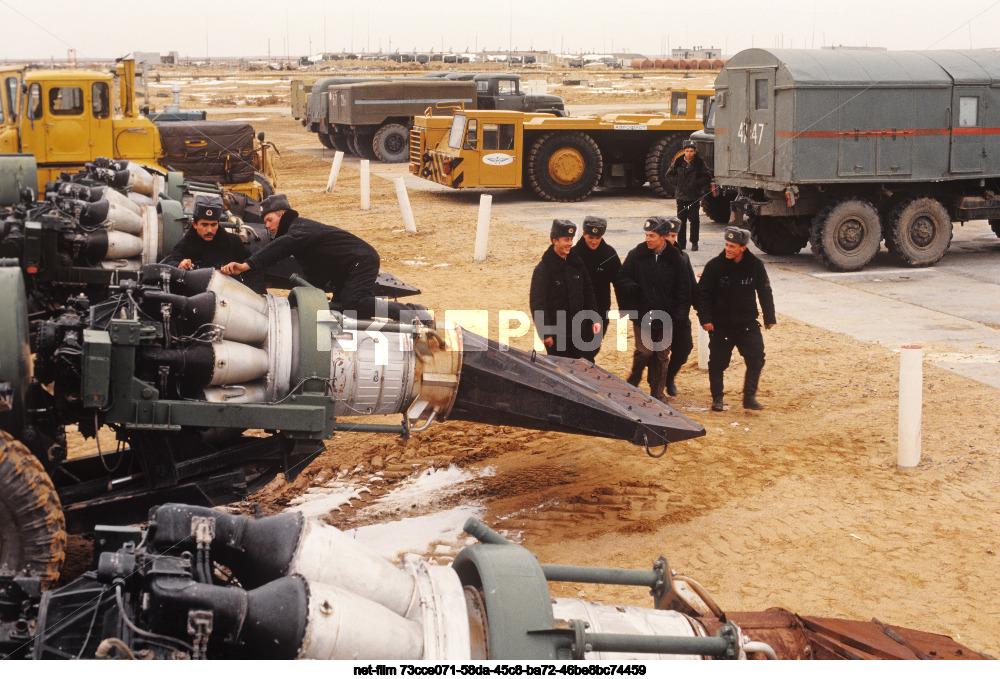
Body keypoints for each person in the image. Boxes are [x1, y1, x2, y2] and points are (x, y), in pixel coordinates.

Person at [221, 194, 423, 321]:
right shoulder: (296, 231)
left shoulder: (298, 228)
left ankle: (411, 312)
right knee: (345, 312)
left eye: (269, 220)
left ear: (282, 214)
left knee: (354, 303)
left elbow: (282, 247)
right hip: (347, 270)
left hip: (361, 261)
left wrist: (248, 265)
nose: (267, 226)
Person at [696, 226, 776, 412]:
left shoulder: (755, 266)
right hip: (721, 325)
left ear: (743, 248)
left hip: (747, 325)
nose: (728, 249)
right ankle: (717, 398)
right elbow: (703, 295)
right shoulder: (714, 266)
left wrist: (769, 316)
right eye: (726, 245)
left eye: (732, 246)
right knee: (717, 363)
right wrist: (705, 319)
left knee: (756, 358)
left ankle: (749, 397)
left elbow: (764, 291)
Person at [616, 216, 692, 401]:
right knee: (645, 351)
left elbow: (684, 290)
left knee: (661, 356)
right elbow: (622, 277)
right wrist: (630, 287)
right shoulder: (636, 255)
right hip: (643, 315)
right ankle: (634, 378)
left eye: (652, 235)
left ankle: (657, 395)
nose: (648, 239)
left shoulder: (677, 260)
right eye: (647, 235)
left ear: (663, 237)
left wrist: (680, 316)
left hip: (667, 318)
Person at [529, 219, 601, 360]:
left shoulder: (577, 264)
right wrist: (545, 332)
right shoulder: (543, 270)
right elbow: (538, 303)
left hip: (581, 331)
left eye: (571, 239)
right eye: (566, 239)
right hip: (558, 335)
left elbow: (588, 292)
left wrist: (595, 318)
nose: (570, 243)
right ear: (554, 240)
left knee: (586, 367)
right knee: (563, 371)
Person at [570, 215, 621, 362]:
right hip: (576, 311)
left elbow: (619, 282)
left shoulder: (609, 254)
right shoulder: (573, 255)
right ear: (584, 234)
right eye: (591, 237)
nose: (594, 241)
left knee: (594, 347)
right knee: (580, 351)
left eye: (598, 237)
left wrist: (625, 306)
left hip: (600, 309)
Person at [162, 195, 249, 271]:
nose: (210, 230)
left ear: (218, 224)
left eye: (213, 225)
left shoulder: (233, 242)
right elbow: (170, 262)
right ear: (195, 225)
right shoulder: (186, 245)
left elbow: (251, 265)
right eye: (204, 225)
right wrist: (179, 265)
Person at [663, 218, 698, 396]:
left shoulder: (683, 257)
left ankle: (669, 377)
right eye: (667, 235)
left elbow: (692, 285)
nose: (670, 239)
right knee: (653, 353)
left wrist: (702, 311)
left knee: (685, 347)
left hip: (679, 314)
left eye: (674, 235)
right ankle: (657, 383)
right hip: (658, 314)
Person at [665, 140, 712, 251]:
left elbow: (707, 176)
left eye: (691, 151)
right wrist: (679, 182)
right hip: (681, 196)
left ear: (695, 152)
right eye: (687, 151)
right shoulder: (678, 161)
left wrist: (696, 183)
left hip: (694, 196)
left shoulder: (700, 163)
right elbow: (668, 175)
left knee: (694, 220)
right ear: (683, 151)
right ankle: (681, 243)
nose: (689, 153)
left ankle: (694, 242)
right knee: (681, 220)